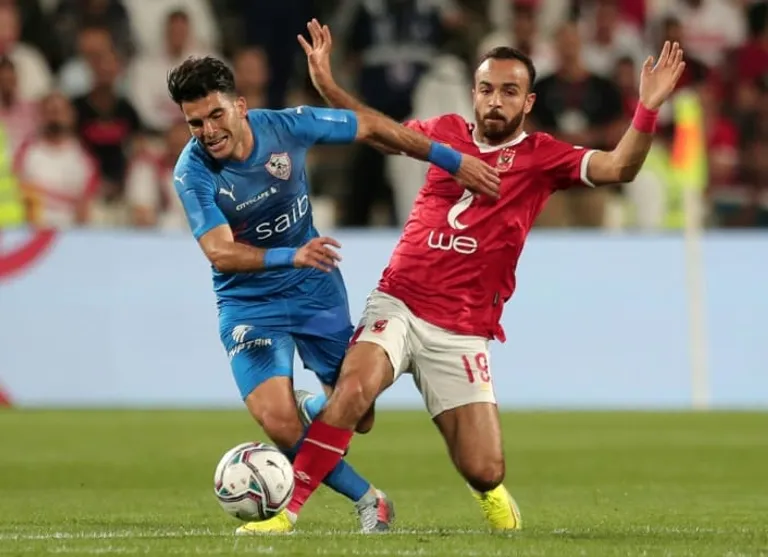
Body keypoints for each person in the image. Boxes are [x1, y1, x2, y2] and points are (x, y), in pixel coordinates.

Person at [240, 20, 686, 534]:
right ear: (474, 92)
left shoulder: (542, 156)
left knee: (484, 467)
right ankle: (287, 512)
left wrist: (647, 107)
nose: (495, 101)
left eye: (509, 92)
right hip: (399, 301)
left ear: (528, 102)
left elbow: (619, 168)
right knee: (356, 391)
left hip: (462, 328)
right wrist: (328, 84)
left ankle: (486, 490)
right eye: (487, 89)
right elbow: (377, 130)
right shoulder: (445, 132)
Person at [166, 55, 500, 535]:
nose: (208, 131)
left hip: (314, 289)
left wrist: (454, 160)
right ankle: (370, 500)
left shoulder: (287, 127)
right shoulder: (192, 171)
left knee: (359, 417)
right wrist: (291, 255)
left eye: (216, 115)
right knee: (278, 422)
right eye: (195, 123)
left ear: (240, 106)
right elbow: (219, 252)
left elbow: (371, 126)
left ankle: (312, 409)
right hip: (249, 303)